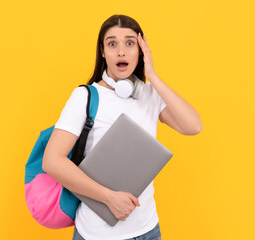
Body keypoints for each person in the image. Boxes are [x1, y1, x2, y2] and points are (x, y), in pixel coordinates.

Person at [42, 14, 203, 240]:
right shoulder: (85, 97)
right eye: (112, 44)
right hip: (96, 234)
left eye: (130, 43)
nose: (121, 51)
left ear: (141, 50)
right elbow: (52, 161)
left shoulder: (150, 95)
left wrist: (153, 78)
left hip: (148, 230)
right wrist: (108, 197)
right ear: (102, 51)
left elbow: (194, 126)